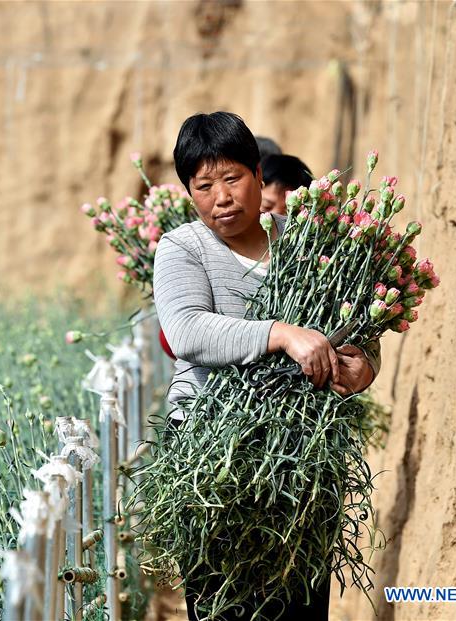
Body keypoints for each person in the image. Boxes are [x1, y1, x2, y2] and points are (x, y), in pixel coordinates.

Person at [152, 111, 380, 621]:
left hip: (303, 452)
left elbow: (356, 322)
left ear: (259, 174)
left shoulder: (305, 243)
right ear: (189, 192)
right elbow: (187, 329)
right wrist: (281, 334)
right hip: (209, 453)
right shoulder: (182, 248)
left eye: (232, 178)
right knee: (223, 604)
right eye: (204, 186)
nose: (222, 197)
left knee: (299, 603)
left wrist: (363, 364)